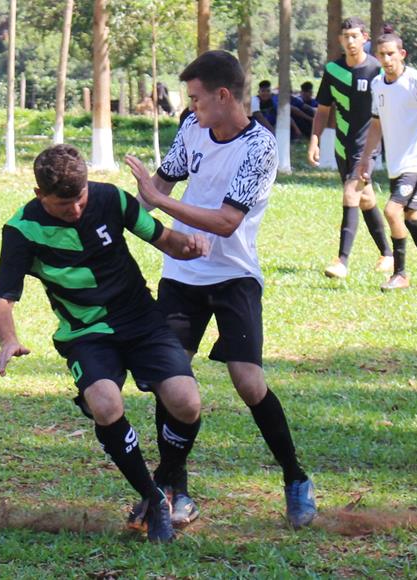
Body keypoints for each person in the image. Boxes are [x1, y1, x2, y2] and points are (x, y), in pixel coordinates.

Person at [124, 50, 317, 530]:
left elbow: (228, 223)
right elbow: (160, 185)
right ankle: (174, 491)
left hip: (235, 276)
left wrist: (163, 202)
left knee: (249, 383)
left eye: (195, 99)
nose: (189, 108)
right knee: (172, 384)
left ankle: (295, 478)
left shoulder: (260, 147)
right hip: (182, 276)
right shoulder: (193, 130)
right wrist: (118, 215)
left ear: (223, 95)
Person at [0, 144, 210, 543]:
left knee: (186, 401)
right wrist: (8, 339)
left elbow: (164, 239)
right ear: (40, 195)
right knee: (106, 404)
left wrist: (192, 246)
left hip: (141, 320)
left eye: (80, 199)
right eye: (63, 205)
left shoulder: (111, 198)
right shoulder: (22, 229)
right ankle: (153, 498)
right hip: (85, 333)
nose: (75, 210)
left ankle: (165, 479)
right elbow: (2, 300)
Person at [358, 27, 417, 291]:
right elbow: (376, 124)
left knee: (392, 210)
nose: (386, 60)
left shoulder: (416, 81)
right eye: (381, 55)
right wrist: (366, 158)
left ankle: (400, 274)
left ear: (402, 54)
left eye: (390, 54)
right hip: (395, 164)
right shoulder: (377, 84)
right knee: (411, 216)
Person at [308, 17, 393, 280]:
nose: (350, 41)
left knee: (350, 193)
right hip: (342, 145)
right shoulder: (333, 71)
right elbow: (323, 110)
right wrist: (315, 139)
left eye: (355, 36)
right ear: (340, 40)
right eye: (346, 36)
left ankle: (341, 260)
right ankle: (388, 254)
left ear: (365, 38)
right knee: (365, 198)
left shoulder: (377, 70)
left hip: (367, 145)